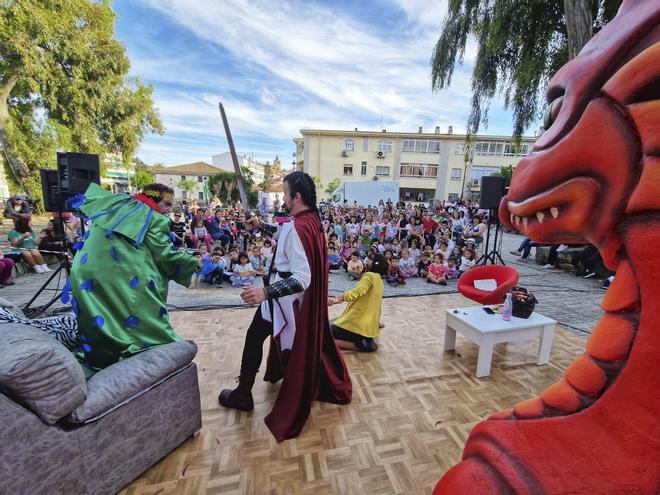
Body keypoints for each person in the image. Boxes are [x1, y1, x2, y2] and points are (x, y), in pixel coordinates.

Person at [218, 171, 352, 442]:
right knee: (261, 338)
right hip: (286, 300)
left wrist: (265, 292)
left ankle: (244, 394)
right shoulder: (309, 220)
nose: (283, 196)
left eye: (285, 191)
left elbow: (303, 278)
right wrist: (259, 225)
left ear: (297, 196)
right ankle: (257, 387)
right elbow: (283, 231)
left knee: (256, 336)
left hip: (283, 300)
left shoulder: (300, 227)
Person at [66, 183, 201, 375]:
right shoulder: (154, 218)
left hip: (86, 272)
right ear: (153, 199)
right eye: (167, 204)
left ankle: (102, 355)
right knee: (140, 311)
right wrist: (193, 263)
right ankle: (142, 351)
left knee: (102, 313)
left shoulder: (115, 205)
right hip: (122, 278)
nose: (169, 210)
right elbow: (165, 255)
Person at [328, 253, 388, 352]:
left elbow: (357, 292)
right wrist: (375, 323)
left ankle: (329, 342)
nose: (367, 260)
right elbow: (376, 306)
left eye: (370, 259)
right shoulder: (379, 280)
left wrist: (336, 299)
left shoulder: (369, 276)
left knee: (324, 332)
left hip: (356, 324)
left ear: (375, 264)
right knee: (335, 323)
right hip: (367, 326)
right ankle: (364, 341)